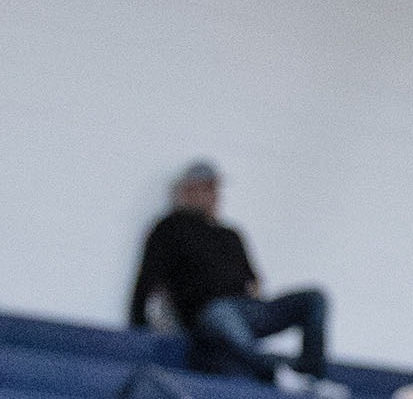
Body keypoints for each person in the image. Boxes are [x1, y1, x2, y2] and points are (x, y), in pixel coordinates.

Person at [129, 161, 346, 398]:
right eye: (206, 188)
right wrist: (138, 331)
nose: (213, 195)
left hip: (247, 310)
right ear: (187, 191)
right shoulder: (169, 228)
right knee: (221, 314)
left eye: (215, 189)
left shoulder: (230, 234)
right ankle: (275, 374)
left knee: (314, 299)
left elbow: (253, 282)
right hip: (208, 313)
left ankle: (311, 377)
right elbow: (148, 280)